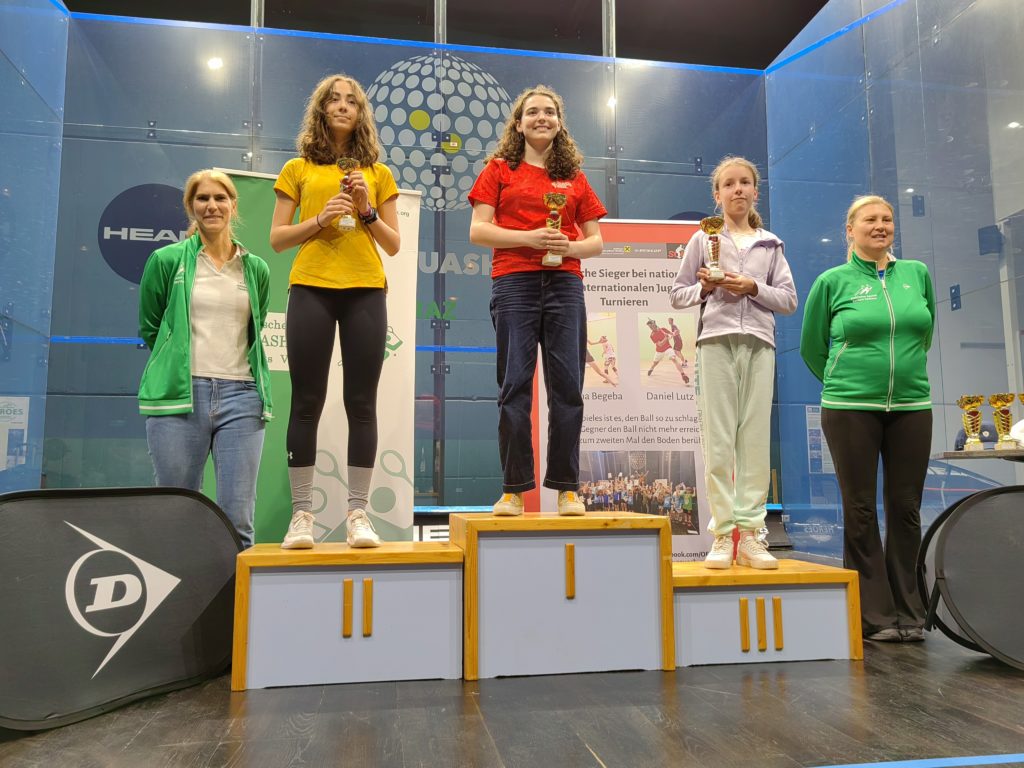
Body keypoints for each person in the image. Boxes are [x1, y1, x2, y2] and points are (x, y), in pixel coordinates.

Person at [269, 74, 401, 549]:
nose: (343, 106)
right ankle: (302, 515)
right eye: (334, 100)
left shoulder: (378, 174)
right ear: (321, 109)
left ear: (361, 113)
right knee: (306, 401)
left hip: (366, 289)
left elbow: (393, 244)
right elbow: (277, 239)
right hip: (311, 287)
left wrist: (366, 209)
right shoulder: (297, 168)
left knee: (361, 403)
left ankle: (358, 514)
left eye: (351, 101)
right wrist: (320, 219)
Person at [799, 195, 934, 643]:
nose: (880, 226)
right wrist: (845, 383)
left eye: (887, 219)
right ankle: (875, 615)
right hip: (849, 407)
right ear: (850, 230)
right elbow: (813, 347)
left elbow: (923, 334)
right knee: (860, 510)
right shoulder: (832, 282)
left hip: (911, 406)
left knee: (906, 508)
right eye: (870, 220)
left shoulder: (917, 274)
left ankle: (910, 611)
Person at [468, 85, 606, 517]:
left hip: (565, 284)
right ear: (518, 123)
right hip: (514, 282)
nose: (541, 117)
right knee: (514, 387)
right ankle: (513, 490)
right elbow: (478, 230)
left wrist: (568, 246)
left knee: (568, 389)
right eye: (532, 112)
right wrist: (529, 238)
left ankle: (567, 489)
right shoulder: (498, 169)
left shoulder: (575, 177)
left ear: (560, 123)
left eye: (549, 111)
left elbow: (596, 241)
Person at [669, 155, 797, 570]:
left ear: (755, 191)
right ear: (717, 194)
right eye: (729, 184)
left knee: (754, 442)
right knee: (719, 442)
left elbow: (789, 300)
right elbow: (678, 295)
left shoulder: (771, 244)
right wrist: (706, 289)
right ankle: (723, 534)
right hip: (715, 343)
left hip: (759, 344)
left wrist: (753, 286)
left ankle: (752, 536)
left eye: (744, 182)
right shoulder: (701, 239)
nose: (737, 189)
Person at [138, 169, 272, 550]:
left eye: (220, 198)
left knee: (238, 521)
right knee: (176, 515)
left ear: (233, 205)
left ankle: (236, 592)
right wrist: (178, 364)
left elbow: (257, 324)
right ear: (191, 207)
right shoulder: (165, 260)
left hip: (242, 398)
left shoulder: (255, 268)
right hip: (180, 397)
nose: (212, 205)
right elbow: (151, 326)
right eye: (202, 198)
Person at [645, 319, 689, 383]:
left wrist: (676, 333)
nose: (651, 328)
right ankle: (651, 369)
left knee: (674, 359)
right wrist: (666, 338)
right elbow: (660, 344)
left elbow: (672, 334)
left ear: (654, 324)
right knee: (655, 363)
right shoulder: (652, 335)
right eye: (650, 327)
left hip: (668, 348)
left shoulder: (663, 329)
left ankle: (683, 374)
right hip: (659, 351)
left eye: (651, 326)